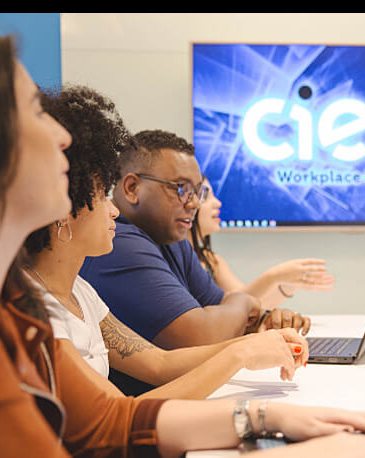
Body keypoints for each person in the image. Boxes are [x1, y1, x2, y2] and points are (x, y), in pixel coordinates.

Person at [0, 19, 365, 458]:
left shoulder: (5, 295)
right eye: (34, 110)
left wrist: (266, 418)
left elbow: (109, 421)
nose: (62, 137)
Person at [24, 85, 308, 400]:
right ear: (63, 209)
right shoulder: (32, 309)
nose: (113, 209)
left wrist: (253, 345)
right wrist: (242, 352)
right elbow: (115, 416)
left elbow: (159, 363)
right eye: (102, 195)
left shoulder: (82, 293)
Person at [79, 130, 311, 350]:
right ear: (132, 188)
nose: (193, 204)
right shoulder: (118, 242)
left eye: (198, 192)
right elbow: (202, 337)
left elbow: (222, 308)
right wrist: (245, 303)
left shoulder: (171, 239)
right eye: (181, 189)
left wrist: (263, 319)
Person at [186, 176, 335, 312]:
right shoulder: (177, 262)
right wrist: (274, 276)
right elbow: (231, 306)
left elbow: (252, 307)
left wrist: (288, 285)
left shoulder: (211, 260)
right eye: (205, 197)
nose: (217, 203)